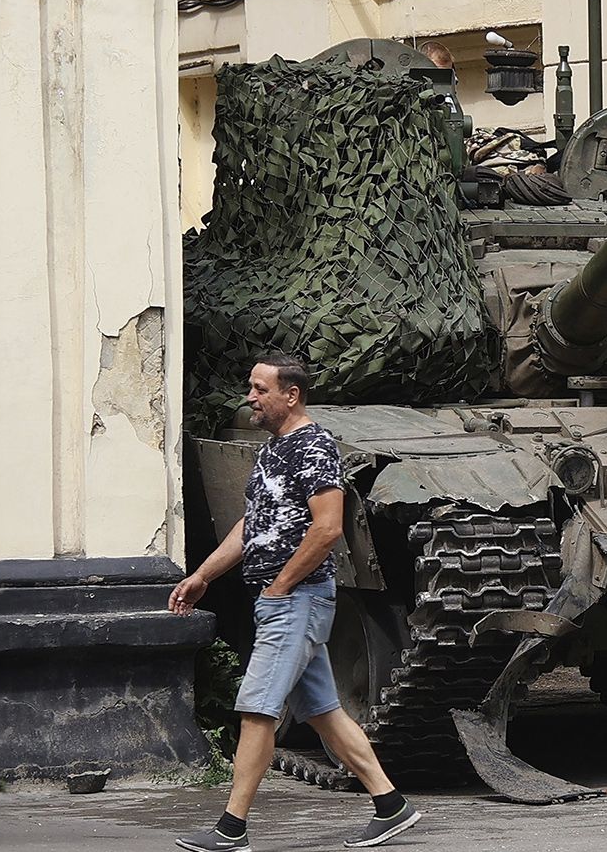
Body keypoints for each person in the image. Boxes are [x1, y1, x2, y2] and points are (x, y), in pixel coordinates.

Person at [169, 354, 422, 851]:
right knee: (324, 711)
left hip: (296, 600)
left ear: (292, 395)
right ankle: (392, 805)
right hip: (281, 600)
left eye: (260, 389)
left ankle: (232, 828)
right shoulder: (272, 451)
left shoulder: (313, 446)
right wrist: (202, 574)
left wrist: (281, 586)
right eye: (251, 387)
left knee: (258, 708)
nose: (250, 397)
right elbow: (253, 525)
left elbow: (328, 528)